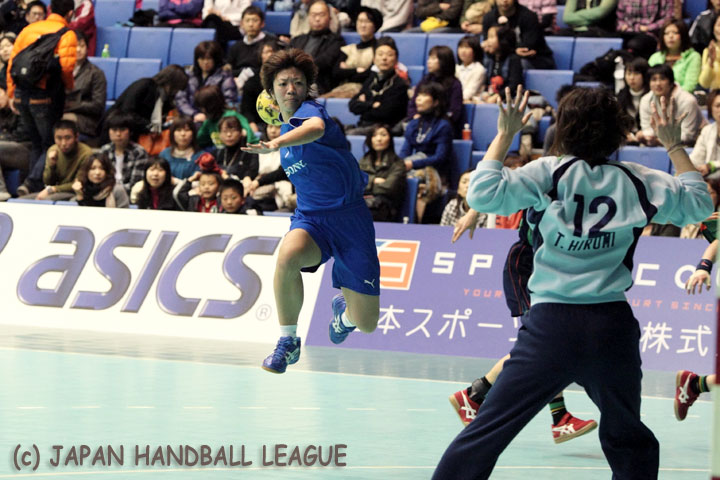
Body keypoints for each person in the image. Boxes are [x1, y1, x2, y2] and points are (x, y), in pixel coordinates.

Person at [431, 85, 712, 479]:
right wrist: (674, 146)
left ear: (562, 129)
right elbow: (700, 204)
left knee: (486, 433)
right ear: (619, 132)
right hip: (612, 329)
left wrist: (505, 134)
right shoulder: (639, 180)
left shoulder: (548, 171)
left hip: (551, 327)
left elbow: (482, 194)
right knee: (629, 439)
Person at [242, 48, 380, 374]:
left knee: (367, 323)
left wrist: (277, 144)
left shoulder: (311, 112)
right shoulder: (284, 134)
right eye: (283, 84)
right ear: (271, 92)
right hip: (311, 220)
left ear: (307, 88)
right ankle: (288, 340)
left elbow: (315, 128)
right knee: (288, 255)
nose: (291, 89)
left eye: (298, 83)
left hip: (350, 221)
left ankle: (344, 317)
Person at [7, 0, 77, 193]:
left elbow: (12, 63)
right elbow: (67, 68)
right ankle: (31, 183)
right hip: (46, 97)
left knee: (36, 143)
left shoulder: (29, 29)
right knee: (50, 143)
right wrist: (69, 87)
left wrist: (12, 93)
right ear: (70, 13)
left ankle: (30, 187)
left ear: (50, 9)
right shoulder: (67, 34)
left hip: (22, 95)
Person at [400, 82, 453, 223]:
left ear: (436, 102)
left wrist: (412, 164)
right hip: (413, 166)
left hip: (435, 171)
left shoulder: (443, 126)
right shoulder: (413, 124)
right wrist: (400, 164)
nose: (418, 99)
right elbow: (404, 151)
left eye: (424, 95)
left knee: (421, 185)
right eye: (418, 95)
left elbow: (440, 157)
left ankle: (416, 223)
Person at [104, 64, 188, 141]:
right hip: (117, 129)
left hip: (136, 134)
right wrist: (149, 126)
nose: (176, 91)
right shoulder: (144, 85)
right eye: (176, 87)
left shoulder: (166, 99)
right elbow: (127, 111)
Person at [347, 36, 408, 136]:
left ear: (396, 59)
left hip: (384, 130)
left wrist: (364, 104)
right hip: (363, 126)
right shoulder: (371, 80)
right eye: (380, 54)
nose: (384, 58)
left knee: (349, 135)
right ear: (374, 59)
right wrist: (372, 105)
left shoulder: (400, 84)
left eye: (389, 55)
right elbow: (352, 105)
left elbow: (385, 113)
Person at [20, 119, 93, 200]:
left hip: (75, 192)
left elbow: (78, 184)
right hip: (55, 190)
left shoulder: (86, 153)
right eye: (59, 138)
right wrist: (52, 165)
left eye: (68, 138)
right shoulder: (53, 150)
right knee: (21, 200)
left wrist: (53, 189)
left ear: (76, 137)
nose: (63, 143)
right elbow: (48, 182)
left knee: (47, 200)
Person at [638, 64, 705, 147]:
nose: (658, 83)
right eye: (654, 79)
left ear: (671, 82)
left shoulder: (688, 101)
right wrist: (646, 136)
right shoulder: (646, 100)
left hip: (694, 145)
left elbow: (687, 136)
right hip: (660, 143)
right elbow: (647, 129)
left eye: (662, 79)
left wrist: (659, 141)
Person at [288, 0, 345, 95]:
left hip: (318, 86)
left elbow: (323, 62)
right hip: (292, 82)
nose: (317, 19)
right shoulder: (297, 40)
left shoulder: (336, 41)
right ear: (308, 17)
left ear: (330, 18)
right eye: (313, 15)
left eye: (321, 15)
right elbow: (287, 59)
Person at [175, 40, 238, 123]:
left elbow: (229, 103)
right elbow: (180, 99)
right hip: (190, 119)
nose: (205, 62)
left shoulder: (225, 77)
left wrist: (208, 117)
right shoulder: (189, 75)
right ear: (197, 60)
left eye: (209, 59)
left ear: (215, 59)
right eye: (202, 58)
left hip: (215, 121)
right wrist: (194, 114)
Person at [408, 45, 465, 136]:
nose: (429, 61)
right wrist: (415, 116)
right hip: (421, 124)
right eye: (429, 58)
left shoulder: (455, 84)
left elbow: (454, 113)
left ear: (444, 61)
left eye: (433, 58)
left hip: (442, 127)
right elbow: (412, 105)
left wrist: (434, 122)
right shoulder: (425, 80)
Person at [482, 0, 555, 70]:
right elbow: (488, 46)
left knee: (516, 63)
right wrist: (514, 50)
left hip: (536, 59)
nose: (504, 0)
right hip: (503, 57)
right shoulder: (489, 18)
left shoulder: (528, 16)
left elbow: (528, 46)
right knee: (486, 61)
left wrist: (512, 51)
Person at [325, 6, 380, 98]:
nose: (363, 25)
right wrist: (356, 70)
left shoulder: (378, 49)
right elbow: (336, 73)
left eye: (367, 21)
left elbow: (369, 74)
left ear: (375, 25)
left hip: (364, 91)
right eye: (360, 21)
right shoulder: (348, 49)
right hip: (340, 89)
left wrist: (347, 71)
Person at [63, 30, 106, 142]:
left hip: (85, 120)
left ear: (87, 48)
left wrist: (72, 106)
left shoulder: (95, 73)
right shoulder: (61, 70)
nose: (78, 49)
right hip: (61, 115)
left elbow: (98, 105)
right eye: (74, 46)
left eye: (82, 46)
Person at [358, 124, 406, 222]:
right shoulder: (363, 161)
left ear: (390, 139)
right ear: (370, 139)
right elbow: (354, 184)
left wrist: (366, 183)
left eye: (383, 135)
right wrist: (373, 180)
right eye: (374, 135)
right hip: (363, 201)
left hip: (385, 207)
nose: (379, 139)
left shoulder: (398, 164)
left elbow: (389, 188)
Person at [246, 123, 293, 211]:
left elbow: (282, 172)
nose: (273, 131)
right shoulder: (260, 146)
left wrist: (259, 182)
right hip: (258, 185)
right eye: (270, 127)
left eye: (278, 127)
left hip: (279, 185)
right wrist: (247, 177)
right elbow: (252, 169)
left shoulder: (290, 148)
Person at [98, 110, 149, 194]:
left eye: (122, 130)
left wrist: (113, 191)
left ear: (130, 132)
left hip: (129, 194)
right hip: (105, 193)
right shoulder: (104, 150)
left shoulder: (139, 152)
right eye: (114, 130)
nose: (118, 134)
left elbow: (135, 184)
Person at [194, 84, 258, 149]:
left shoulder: (232, 116)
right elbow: (199, 141)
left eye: (203, 107)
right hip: (222, 153)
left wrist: (253, 149)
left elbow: (251, 136)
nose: (202, 110)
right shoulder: (208, 122)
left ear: (210, 105)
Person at [648, 19, 701, 93]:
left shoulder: (693, 57)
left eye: (675, 33)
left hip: (682, 98)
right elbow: (648, 83)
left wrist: (671, 97)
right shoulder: (655, 58)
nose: (670, 36)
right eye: (666, 33)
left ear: (683, 35)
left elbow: (689, 86)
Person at [225, 5, 273, 75]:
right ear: (242, 24)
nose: (251, 24)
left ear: (262, 23)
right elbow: (228, 66)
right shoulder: (236, 46)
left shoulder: (271, 43)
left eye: (255, 20)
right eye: (247, 21)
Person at [480, 24, 523, 104]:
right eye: (487, 37)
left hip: (508, 99)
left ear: (502, 39)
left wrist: (498, 96)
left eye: (491, 37)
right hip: (492, 96)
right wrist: (486, 93)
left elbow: (514, 84)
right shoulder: (491, 59)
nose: (487, 41)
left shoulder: (513, 59)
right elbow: (487, 82)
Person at [616, 57, 649, 144]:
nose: (632, 78)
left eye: (636, 73)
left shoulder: (651, 96)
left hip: (647, 139)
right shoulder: (621, 95)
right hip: (626, 139)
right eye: (629, 73)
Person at [159, 115, 202, 180]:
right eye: (178, 130)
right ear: (172, 133)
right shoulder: (164, 154)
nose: (183, 134)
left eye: (187, 130)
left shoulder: (202, 157)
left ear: (193, 133)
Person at [691, 89, 720, 174]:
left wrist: (711, 166)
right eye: (718, 106)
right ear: (711, 109)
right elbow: (695, 160)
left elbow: (710, 166)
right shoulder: (707, 130)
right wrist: (686, 169)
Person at [456, 34, 485, 103]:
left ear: (475, 50)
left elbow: (468, 94)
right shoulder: (456, 68)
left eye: (467, 47)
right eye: (461, 47)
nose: (463, 51)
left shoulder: (479, 69)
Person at [698, 16, 720, 90]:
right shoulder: (708, 51)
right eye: (719, 25)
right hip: (715, 93)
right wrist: (711, 62)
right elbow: (704, 83)